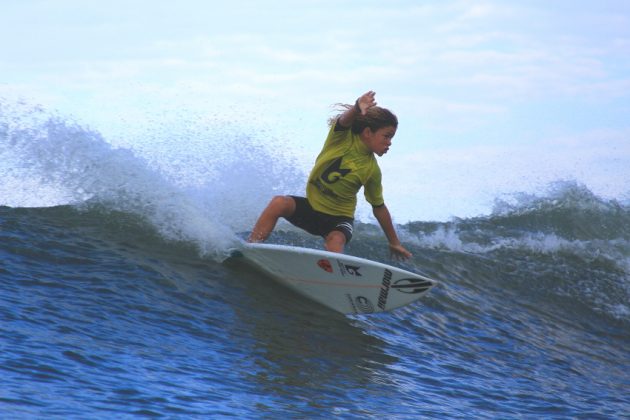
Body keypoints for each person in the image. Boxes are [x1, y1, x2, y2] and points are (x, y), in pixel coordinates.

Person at [248, 90, 412, 260]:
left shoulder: (372, 170)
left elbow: (379, 207)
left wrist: (394, 242)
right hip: (312, 210)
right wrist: (357, 107)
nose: (389, 142)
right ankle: (252, 248)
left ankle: (334, 274)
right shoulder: (341, 139)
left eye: (391, 138)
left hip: (339, 220)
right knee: (279, 203)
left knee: (335, 239)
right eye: (386, 136)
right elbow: (344, 121)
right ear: (368, 132)